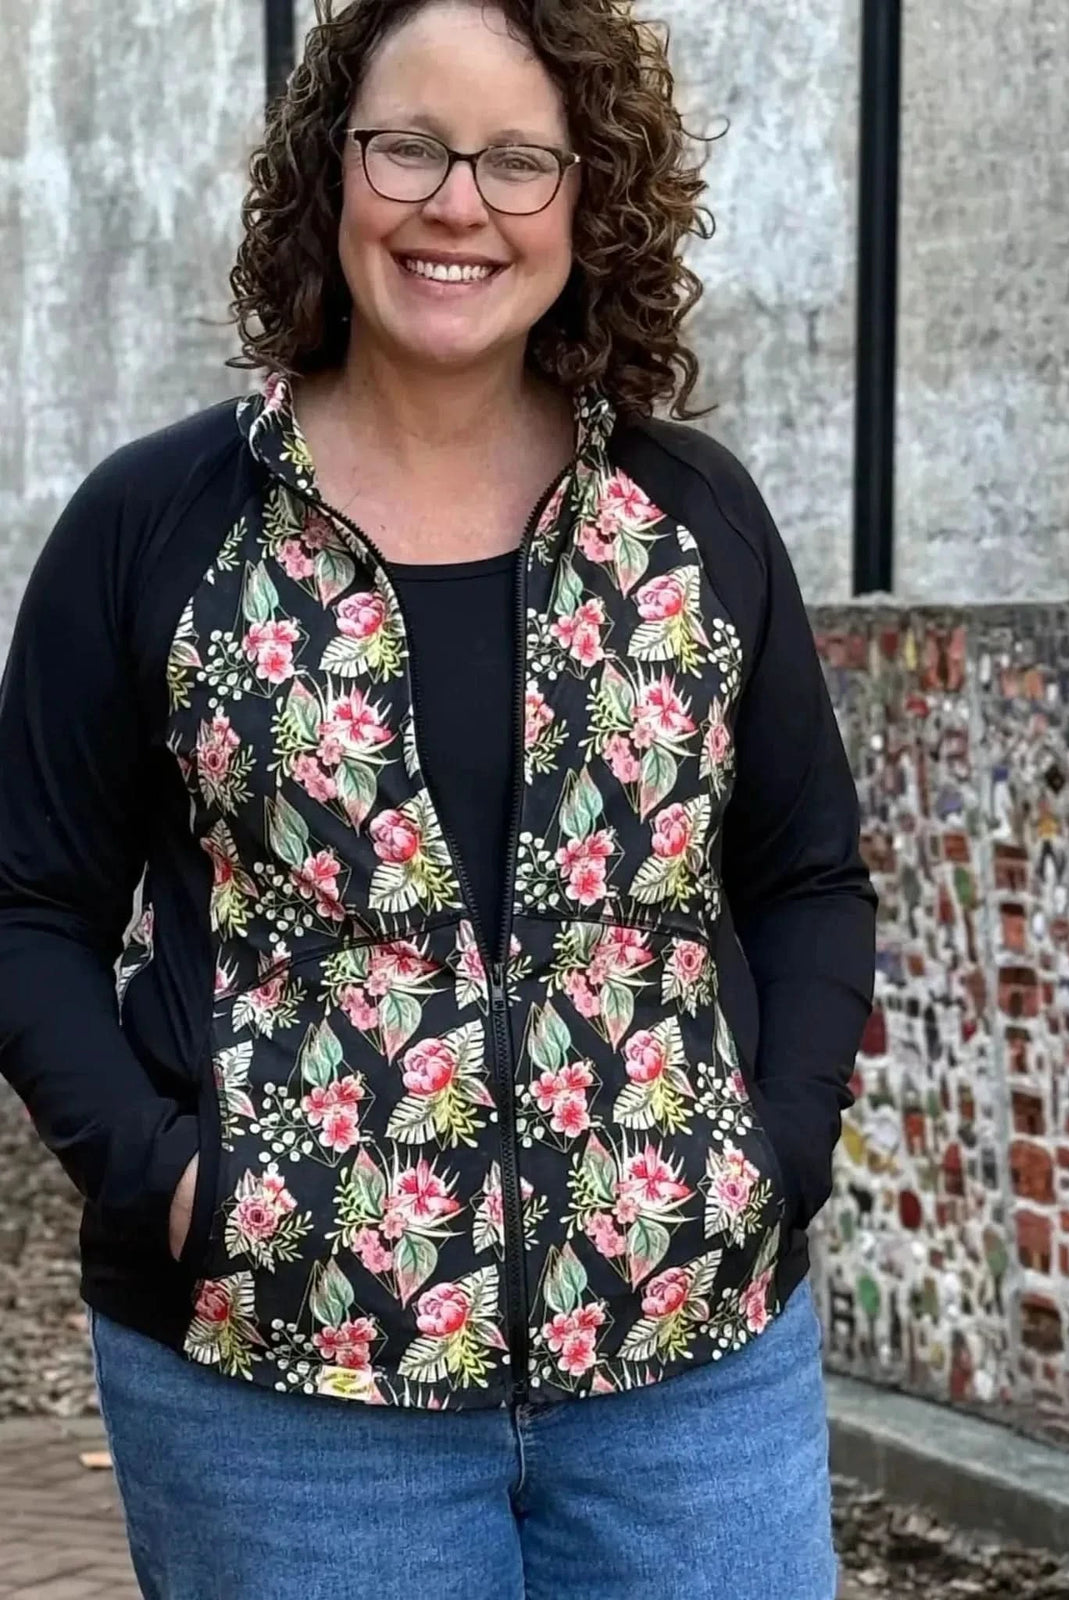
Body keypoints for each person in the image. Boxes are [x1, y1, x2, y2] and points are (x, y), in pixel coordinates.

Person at [0, 1, 877, 1594]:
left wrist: (775, 1152)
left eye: (519, 161)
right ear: (333, 168)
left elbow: (808, 875)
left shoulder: (691, 520)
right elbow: (24, 907)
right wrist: (173, 1182)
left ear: (588, 198)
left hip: (692, 1376)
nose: (456, 202)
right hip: (279, 1393)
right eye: (409, 145)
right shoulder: (159, 527)